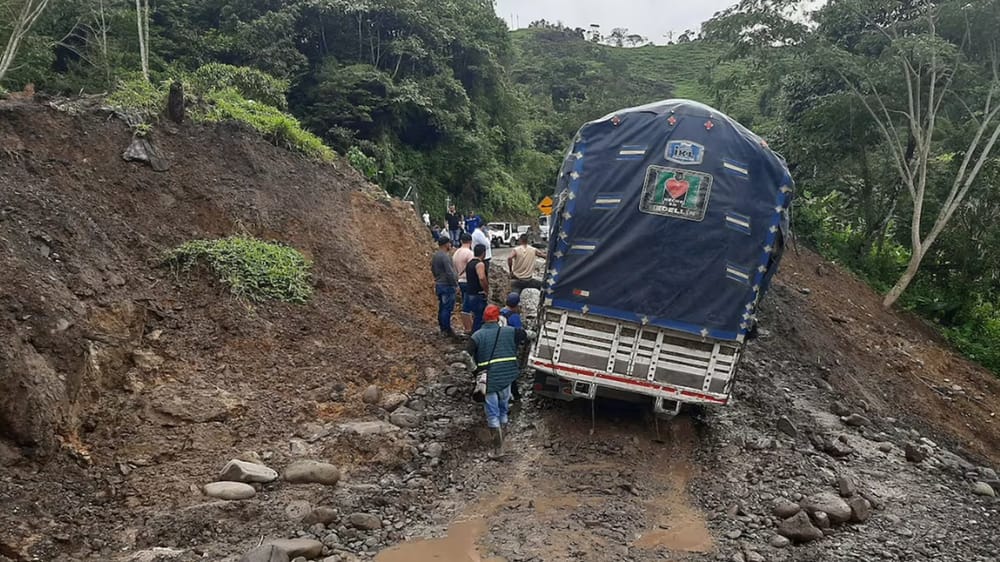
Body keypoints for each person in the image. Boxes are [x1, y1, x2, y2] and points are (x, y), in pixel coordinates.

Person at [468, 304, 529, 459]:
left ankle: (498, 450)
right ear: (497, 318)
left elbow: (466, 355)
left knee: (492, 414)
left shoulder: (477, 336)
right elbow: (526, 335)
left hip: (488, 380)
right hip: (506, 378)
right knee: (503, 409)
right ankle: (504, 440)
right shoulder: (510, 331)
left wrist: (475, 371)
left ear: (484, 318)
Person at [499, 292, 525, 402]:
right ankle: (514, 394)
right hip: (509, 347)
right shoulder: (514, 317)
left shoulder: (500, 312)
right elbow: (519, 334)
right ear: (517, 305)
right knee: (510, 370)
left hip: (497, 344)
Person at [431, 236, 458, 337]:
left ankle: (442, 327)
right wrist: (455, 284)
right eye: (449, 243)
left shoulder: (435, 256)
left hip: (439, 284)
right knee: (447, 308)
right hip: (447, 285)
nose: (450, 245)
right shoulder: (445, 257)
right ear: (446, 244)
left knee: (442, 307)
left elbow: (433, 269)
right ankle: (447, 329)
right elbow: (449, 272)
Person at [452, 233, 475, 333]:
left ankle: (467, 327)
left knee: (465, 302)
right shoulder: (469, 253)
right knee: (468, 305)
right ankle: (469, 328)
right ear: (470, 241)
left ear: (461, 241)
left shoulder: (456, 253)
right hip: (468, 281)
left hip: (460, 281)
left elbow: (454, 269)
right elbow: (472, 268)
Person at [464, 244, 489, 332]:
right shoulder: (480, 264)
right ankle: (476, 334)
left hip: (470, 293)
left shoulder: (469, 263)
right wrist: (486, 289)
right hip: (478, 293)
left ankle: (474, 332)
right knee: (479, 317)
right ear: (483, 253)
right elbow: (481, 277)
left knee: (475, 316)